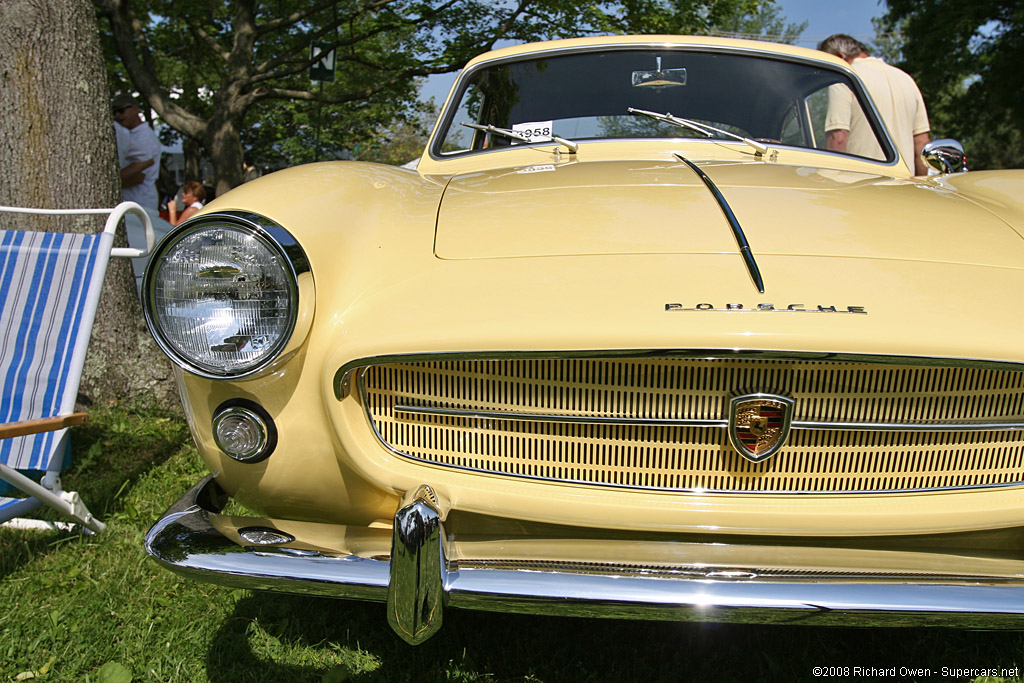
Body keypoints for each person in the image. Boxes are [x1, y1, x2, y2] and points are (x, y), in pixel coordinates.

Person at [817, 34, 930, 175]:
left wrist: (826, 182)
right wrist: (919, 187)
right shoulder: (907, 80)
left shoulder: (844, 78)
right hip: (903, 189)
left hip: (860, 187)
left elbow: (837, 139)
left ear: (840, 57)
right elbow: (922, 143)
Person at [112, 93, 161, 209]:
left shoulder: (144, 137)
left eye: (121, 110)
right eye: (115, 113)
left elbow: (138, 177)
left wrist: (109, 181)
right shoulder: (131, 134)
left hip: (140, 203)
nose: (118, 116)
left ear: (135, 109)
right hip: (132, 202)